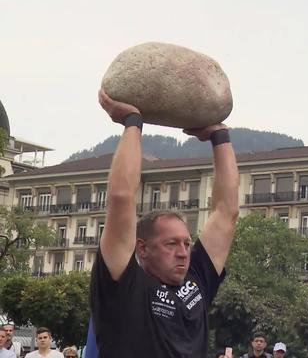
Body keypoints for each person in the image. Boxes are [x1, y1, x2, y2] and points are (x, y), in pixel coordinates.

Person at [90, 90, 239, 358]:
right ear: (143, 249)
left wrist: (219, 136)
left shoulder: (197, 280)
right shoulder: (123, 284)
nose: (183, 252)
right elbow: (121, 197)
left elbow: (227, 211)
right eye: (171, 244)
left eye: (186, 242)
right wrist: (133, 122)